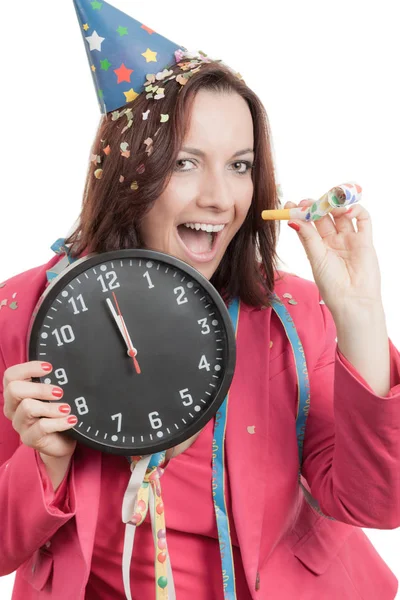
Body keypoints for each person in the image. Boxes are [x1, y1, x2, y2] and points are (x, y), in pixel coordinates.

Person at [1, 1, 400, 599]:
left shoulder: (292, 312)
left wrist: (360, 317)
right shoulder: (33, 308)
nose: (220, 197)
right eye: (186, 163)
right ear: (131, 171)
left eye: (240, 166)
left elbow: (375, 503)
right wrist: (46, 463)